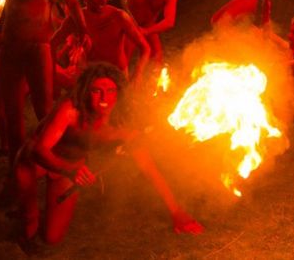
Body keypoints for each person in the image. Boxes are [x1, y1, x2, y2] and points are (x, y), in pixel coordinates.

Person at [14, 63, 203, 248]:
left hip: (70, 167)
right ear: (87, 91)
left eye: (111, 91)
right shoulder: (70, 109)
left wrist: (176, 211)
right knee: (30, 221)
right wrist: (70, 170)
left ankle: (37, 207)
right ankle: (25, 219)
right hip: (35, 160)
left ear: (118, 93)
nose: (104, 97)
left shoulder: (122, 128)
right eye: (97, 91)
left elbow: (150, 169)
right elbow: (41, 150)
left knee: (52, 238)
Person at [0, 0, 89, 165]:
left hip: (38, 47)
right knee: (12, 111)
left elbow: (72, 2)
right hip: (10, 48)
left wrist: (83, 30)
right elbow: (10, 5)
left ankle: (57, 161)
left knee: (44, 111)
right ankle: (18, 167)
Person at [53, 0, 151, 83]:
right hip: (91, 76)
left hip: (117, 75)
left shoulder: (119, 16)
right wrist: (58, 71)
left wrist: (138, 73)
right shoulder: (76, 19)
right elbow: (51, 45)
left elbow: (145, 48)